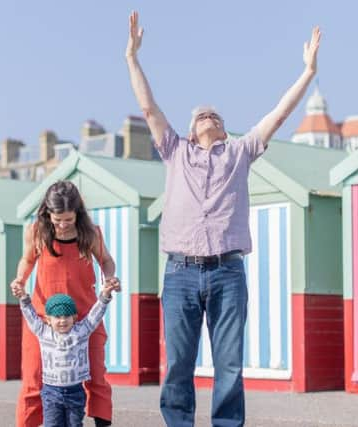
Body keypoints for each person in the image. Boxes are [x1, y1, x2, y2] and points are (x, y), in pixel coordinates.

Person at [125, 10, 321, 427]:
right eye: (200, 116)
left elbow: (279, 115)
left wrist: (307, 73)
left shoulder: (240, 153)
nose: (208, 116)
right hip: (179, 273)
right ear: (191, 131)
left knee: (229, 365)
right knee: (178, 363)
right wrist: (132, 58)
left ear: (225, 129)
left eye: (215, 115)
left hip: (228, 273)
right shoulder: (175, 152)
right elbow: (147, 106)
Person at [11, 180, 121, 427]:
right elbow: (26, 261)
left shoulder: (91, 233)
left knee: (97, 379)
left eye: (68, 220)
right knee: (32, 380)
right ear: (47, 213)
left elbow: (106, 261)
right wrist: (20, 279)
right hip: (42, 320)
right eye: (57, 219)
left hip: (85, 319)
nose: (61, 225)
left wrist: (110, 277)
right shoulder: (37, 231)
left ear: (78, 214)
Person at [11, 280, 118, 427]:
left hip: (75, 391)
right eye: (57, 317)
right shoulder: (43, 332)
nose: (62, 321)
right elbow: (30, 315)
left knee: (75, 424)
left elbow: (95, 315)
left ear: (74, 318)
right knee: (52, 424)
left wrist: (105, 295)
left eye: (67, 316)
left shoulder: (81, 331)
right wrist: (23, 297)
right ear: (48, 319)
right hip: (51, 392)